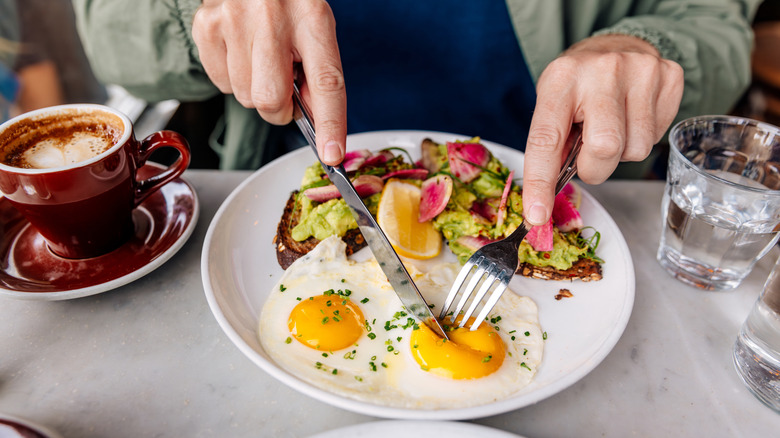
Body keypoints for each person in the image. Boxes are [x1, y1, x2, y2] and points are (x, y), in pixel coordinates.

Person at [72, 0, 761, 227]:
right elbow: (109, 30)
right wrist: (197, 9)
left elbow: (716, 23)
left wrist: (645, 48)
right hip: (277, 176)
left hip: (580, 192)